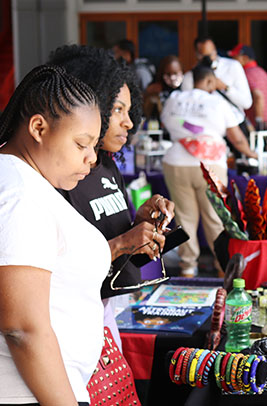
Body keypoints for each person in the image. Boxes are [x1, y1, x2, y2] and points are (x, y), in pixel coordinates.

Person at [0, 65, 108, 405]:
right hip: (23, 395)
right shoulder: (16, 193)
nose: (91, 158)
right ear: (38, 127)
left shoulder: (18, 180)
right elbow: (22, 327)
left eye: (94, 145)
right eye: (81, 144)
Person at [48, 45, 175, 348]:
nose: (128, 122)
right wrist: (123, 243)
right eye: (117, 110)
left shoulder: (106, 164)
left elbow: (113, 241)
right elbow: (58, 269)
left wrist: (140, 225)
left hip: (105, 311)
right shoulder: (61, 176)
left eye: (129, 111)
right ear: (87, 105)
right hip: (68, 323)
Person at [161, 58, 258, 277]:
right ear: (209, 82)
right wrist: (252, 154)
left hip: (176, 162)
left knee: (184, 218)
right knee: (215, 217)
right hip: (211, 165)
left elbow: (166, 123)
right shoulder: (217, 103)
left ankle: (188, 267)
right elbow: (236, 138)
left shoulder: (174, 99)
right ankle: (222, 266)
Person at [182, 35, 252, 152]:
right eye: (204, 55)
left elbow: (247, 103)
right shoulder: (190, 77)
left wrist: (225, 87)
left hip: (235, 125)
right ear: (197, 55)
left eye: (212, 54)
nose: (209, 58)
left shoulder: (232, 67)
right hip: (206, 130)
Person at [229, 44, 267, 130]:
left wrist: (259, 124)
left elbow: (258, 96)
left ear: (244, 58)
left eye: (235, 57)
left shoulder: (245, 74)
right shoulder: (262, 73)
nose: (232, 61)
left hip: (256, 128)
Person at [143, 54, 184, 119]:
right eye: (168, 74)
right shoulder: (155, 88)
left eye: (175, 73)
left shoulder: (186, 88)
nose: (172, 77)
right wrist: (148, 93)